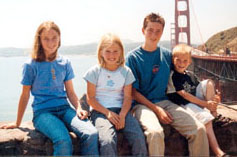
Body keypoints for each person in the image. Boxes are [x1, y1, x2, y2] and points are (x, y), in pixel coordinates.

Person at [0, 21, 99, 156]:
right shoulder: (30, 65)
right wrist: (17, 122)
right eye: (46, 38)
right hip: (43, 113)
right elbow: (25, 95)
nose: (51, 42)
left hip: (65, 109)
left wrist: (79, 108)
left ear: (59, 39)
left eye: (54, 38)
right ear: (39, 40)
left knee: (91, 133)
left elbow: (70, 92)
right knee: (63, 140)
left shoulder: (65, 62)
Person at [126, 12, 209, 156]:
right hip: (142, 106)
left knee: (199, 129)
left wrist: (206, 97)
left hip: (165, 102)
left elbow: (181, 75)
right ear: (143, 31)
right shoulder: (132, 58)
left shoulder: (167, 55)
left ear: (162, 32)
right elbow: (133, 92)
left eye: (158, 31)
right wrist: (157, 110)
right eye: (150, 30)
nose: (154, 34)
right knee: (156, 133)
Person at [83, 33, 147, 156]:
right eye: (108, 51)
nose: (111, 55)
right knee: (107, 140)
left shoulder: (126, 72)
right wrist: (107, 113)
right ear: (101, 52)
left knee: (138, 137)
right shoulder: (94, 72)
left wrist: (122, 115)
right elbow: (90, 99)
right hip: (100, 112)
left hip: (121, 110)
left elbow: (128, 97)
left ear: (121, 52)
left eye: (115, 51)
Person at [167, 43, 225, 157]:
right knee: (206, 121)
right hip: (185, 104)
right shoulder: (173, 76)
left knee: (208, 83)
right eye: (178, 60)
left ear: (189, 62)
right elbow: (184, 95)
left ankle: (214, 111)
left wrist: (214, 100)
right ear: (173, 60)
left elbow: (202, 89)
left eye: (185, 61)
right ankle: (218, 152)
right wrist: (205, 104)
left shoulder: (190, 75)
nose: (181, 64)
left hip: (195, 101)